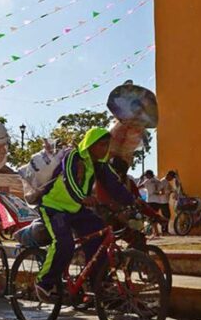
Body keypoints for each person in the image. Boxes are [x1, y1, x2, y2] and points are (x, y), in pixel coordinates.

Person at [35, 127, 136, 301]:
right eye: (101, 145)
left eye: (107, 145)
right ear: (90, 144)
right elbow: (69, 180)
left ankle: (97, 283)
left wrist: (134, 202)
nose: (105, 149)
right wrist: (82, 198)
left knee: (100, 233)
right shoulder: (73, 156)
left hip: (75, 209)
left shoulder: (99, 165)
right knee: (63, 243)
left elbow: (115, 185)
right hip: (53, 207)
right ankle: (44, 283)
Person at [138, 170, 168, 236]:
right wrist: (157, 193)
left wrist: (140, 179)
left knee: (151, 216)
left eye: (146, 175)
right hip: (158, 201)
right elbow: (162, 192)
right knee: (154, 216)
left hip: (151, 200)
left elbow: (138, 187)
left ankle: (156, 232)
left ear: (148, 175)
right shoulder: (158, 181)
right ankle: (156, 230)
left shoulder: (147, 181)